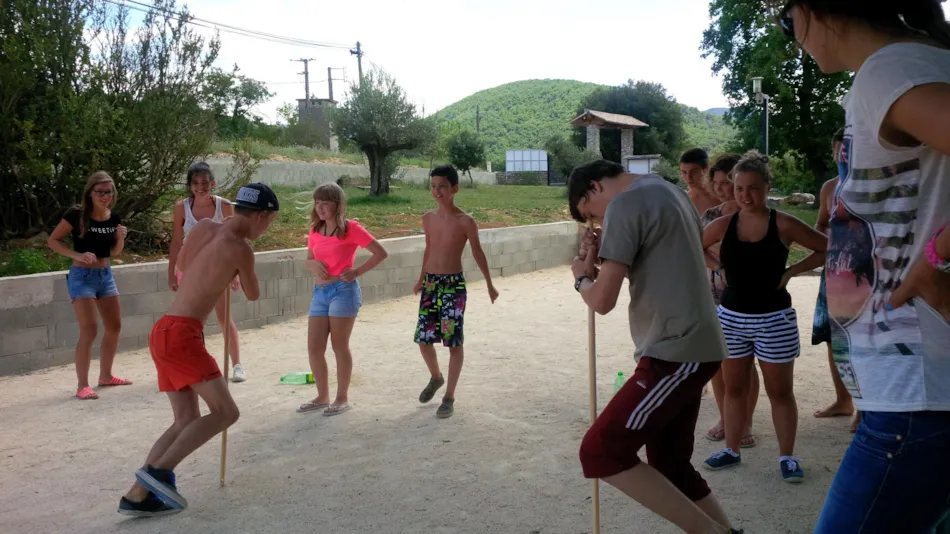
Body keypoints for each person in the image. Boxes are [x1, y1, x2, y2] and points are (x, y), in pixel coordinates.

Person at [776, 2, 950, 531]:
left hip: (918, 392)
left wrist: (938, 256)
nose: (791, 34)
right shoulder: (919, 62)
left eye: (784, 17)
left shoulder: (890, 70)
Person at [568, 160, 743, 534]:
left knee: (600, 450)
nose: (597, 222)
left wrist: (581, 278)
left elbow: (601, 300)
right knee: (670, 463)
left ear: (594, 188)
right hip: (699, 343)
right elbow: (658, 264)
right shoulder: (670, 191)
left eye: (590, 213)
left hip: (673, 350)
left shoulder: (624, 204)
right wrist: (597, 257)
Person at [118, 183, 279, 517]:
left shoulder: (205, 227)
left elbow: (187, 266)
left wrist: (222, 274)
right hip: (184, 335)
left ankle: (137, 496)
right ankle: (158, 473)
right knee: (226, 412)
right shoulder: (241, 248)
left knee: (186, 419)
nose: (267, 229)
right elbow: (252, 294)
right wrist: (238, 271)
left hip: (163, 328)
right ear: (261, 216)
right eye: (270, 222)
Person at [701, 151, 827, 483]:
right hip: (731, 318)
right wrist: (719, 267)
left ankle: (787, 456)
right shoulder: (724, 225)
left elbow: (825, 246)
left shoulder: (782, 222)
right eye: (739, 188)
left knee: (780, 392)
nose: (745, 195)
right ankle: (731, 449)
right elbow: (693, 245)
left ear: (767, 186)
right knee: (734, 388)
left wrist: (792, 272)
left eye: (753, 188)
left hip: (774, 319)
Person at [413, 165, 498, 419]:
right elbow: (428, 250)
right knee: (424, 339)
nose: (437, 191)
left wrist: (489, 283)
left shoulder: (466, 222)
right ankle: (436, 377)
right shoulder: (428, 218)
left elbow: (477, 252)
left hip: (453, 286)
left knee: (453, 342)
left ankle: (449, 396)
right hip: (431, 284)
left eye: (442, 186)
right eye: (433, 186)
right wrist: (420, 279)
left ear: (454, 189)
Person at [297, 182, 388, 416]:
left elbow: (380, 253)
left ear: (338, 205)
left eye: (325, 202)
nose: (320, 207)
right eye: (317, 202)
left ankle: (341, 397)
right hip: (320, 293)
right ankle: (322, 395)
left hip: (343, 291)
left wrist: (356, 271)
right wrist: (313, 264)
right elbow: (308, 259)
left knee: (339, 347)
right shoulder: (315, 230)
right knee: (314, 348)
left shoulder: (351, 228)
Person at [47, 171, 130, 400]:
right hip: (81, 276)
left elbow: (113, 252)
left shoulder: (114, 217)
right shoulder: (77, 215)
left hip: (106, 275)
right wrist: (77, 254)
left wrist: (121, 237)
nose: (105, 196)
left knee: (114, 326)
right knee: (90, 329)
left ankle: (106, 375)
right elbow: (52, 240)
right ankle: (82, 385)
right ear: (90, 192)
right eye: (100, 192)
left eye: (109, 192)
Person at [700, 154, 760, 449]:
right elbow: (697, 247)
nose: (722, 188)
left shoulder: (758, 216)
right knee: (717, 363)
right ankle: (726, 418)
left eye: (727, 183)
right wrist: (718, 267)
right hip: (714, 298)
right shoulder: (711, 216)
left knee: (745, 366)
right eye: (717, 182)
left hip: (748, 300)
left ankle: (745, 421)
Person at [168, 162, 247, 383]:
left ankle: (237, 365)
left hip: (218, 269)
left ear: (212, 183)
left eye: (205, 182)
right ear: (190, 185)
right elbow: (176, 241)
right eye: (196, 183)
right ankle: (194, 365)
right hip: (190, 269)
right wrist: (171, 272)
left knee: (224, 317)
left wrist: (237, 273)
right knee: (190, 321)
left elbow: (236, 240)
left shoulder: (224, 206)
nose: (201, 187)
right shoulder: (181, 207)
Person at [810, 129, 856, 428]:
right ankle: (843, 400)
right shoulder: (829, 188)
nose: (844, 157)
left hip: (864, 274)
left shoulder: (870, 183)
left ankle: (867, 407)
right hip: (833, 272)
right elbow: (819, 228)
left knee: (861, 340)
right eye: (839, 151)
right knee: (833, 340)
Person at [681, 148, 720, 215]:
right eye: (684, 172)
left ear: (707, 169)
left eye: (694, 172)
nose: (688, 177)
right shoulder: (686, 200)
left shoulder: (721, 192)